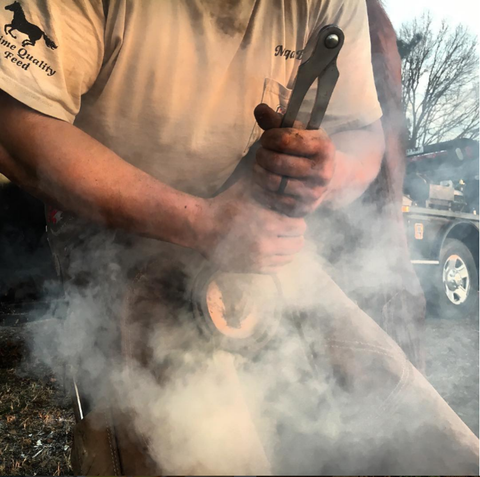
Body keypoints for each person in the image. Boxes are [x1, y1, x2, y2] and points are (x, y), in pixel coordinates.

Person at [0, 1, 477, 475]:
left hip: (250, 228)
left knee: (404, 412)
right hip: (109, 225)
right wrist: (199, 222)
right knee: (196, 438)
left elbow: (362, 135)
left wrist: (330, 171)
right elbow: (15, 122)